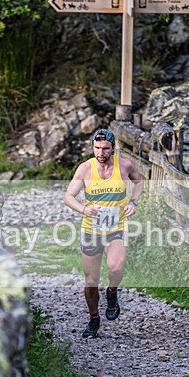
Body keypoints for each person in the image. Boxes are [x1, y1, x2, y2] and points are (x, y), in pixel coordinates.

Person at [63, 128, 144, 338]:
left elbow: (140, 181)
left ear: (112, 148)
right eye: (97, 148)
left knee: (115, 267)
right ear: (93, 147)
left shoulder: (124, 165)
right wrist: (83, 209)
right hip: (91, 230)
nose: (101, 152)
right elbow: (68, 197)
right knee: (91, 280)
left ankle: (112, 292)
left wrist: (134, 201)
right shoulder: (85, 169)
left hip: (116, 228)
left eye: (105, 148)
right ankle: (94, 319)